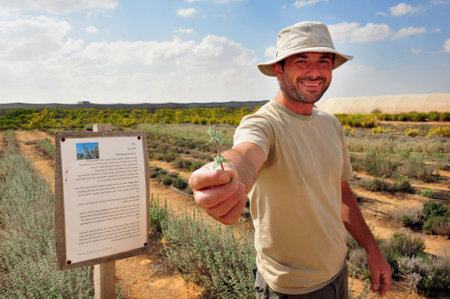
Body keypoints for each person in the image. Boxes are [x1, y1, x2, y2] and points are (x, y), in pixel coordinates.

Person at [188, 21, 392, 298]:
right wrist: (230, 174)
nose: (315, 71)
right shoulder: (263, 123)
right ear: (278, 69)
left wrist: (373, 249)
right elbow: (246, 155)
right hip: (290, 289)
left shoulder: (331, 124)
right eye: (301, 60)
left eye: (323, 60)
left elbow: (341, 193)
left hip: (337, 273)